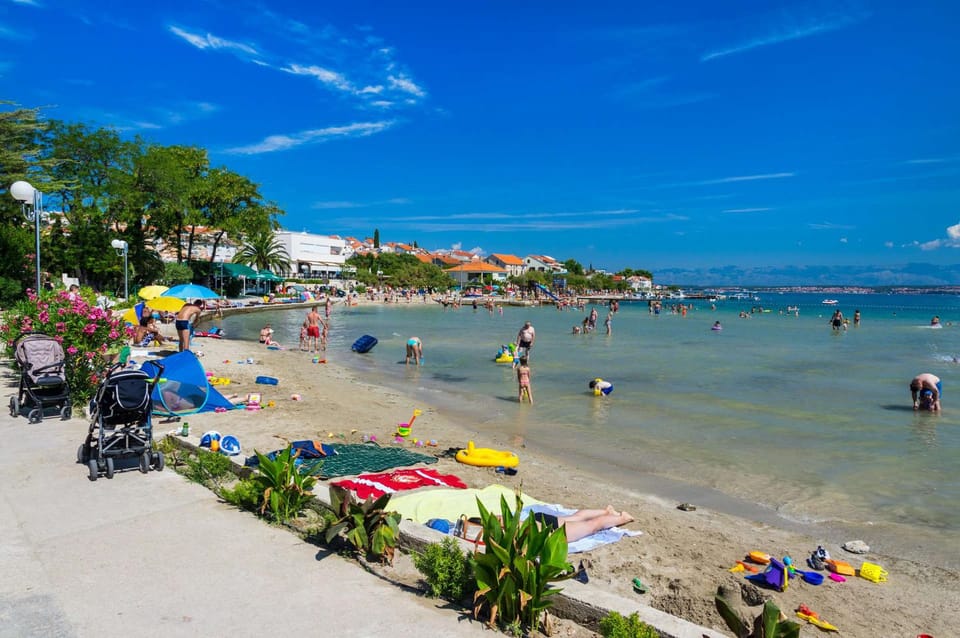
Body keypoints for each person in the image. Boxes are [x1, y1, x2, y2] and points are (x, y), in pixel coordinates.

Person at [526, 505, 634, 543]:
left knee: (593, 525)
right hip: (536, 519)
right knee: (576, 518)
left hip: (551, 531)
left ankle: (622, 518)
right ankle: (606, 512)